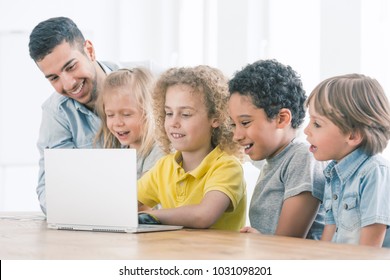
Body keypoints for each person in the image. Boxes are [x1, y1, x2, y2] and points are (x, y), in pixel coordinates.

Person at [29, 17, 121, 214]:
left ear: (89, 51)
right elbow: (51, 191)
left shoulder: (150, 80)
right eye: (54, 78)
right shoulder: (56, 113)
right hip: (97, 221)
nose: (69, 84)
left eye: (70, 67)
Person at [137, 65, 247, 230]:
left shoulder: (227, 167)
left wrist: (150, 217)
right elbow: (123, 203)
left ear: (216, 118)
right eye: (168, 113)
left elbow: (203, 216)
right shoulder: (163, 167)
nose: (173, 122)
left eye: (185, 114)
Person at [228, 59, 325, 239]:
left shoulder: (301, 157)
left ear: (281, 119)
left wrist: (258, 240)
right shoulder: (272, 161)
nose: (237, 135)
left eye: (245, 122)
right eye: (233, 124)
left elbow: (287, 243)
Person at [304, 73, 390, 247]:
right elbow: (330, 234)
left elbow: (369, 252)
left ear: (353, 135)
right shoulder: (332, 172)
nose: (306, 130)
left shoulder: (374, 172)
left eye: (317, 124)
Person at [95, 68, 165, 179]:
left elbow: (145, 194)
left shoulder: (159, 153)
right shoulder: (122, 151)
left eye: (126, 114)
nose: (117, 123)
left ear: (150, 111)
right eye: (110, 115)